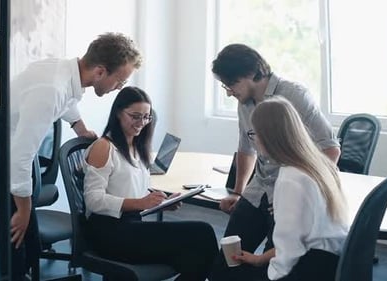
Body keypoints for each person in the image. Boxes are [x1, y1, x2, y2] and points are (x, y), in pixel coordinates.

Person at [0, 32, 142, 280]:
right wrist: (25, 210)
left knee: (28, 252)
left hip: (4, 161)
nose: (119, 87)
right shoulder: (52, 89)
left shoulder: (64, 72)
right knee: (10, 262)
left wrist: (79, 126)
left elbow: (67, 100)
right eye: (120, 80)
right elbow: (20, 157)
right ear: (100, 72)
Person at [209, 44, 341, 280]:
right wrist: (238, 193)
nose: (228, 92)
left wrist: (311, 193)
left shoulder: (294, 96)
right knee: (227, 262)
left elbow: (330, 148)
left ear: (250, 74)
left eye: (231, 84)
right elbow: (245, 149)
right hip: (260, 189)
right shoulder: (244, 103)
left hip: (289, 194)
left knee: (276, 265)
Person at [83, 86, 219, 281]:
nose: (141, 123)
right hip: (109, 232)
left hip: (131, 225)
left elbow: (133, 188)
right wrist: (140, 203)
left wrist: (161, 202)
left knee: (195, 253)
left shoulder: (136, 147)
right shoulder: (104, 147)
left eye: (146, 117)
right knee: (201, 233)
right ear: (118, 113)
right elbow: (93, 200)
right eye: (135, 116)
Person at [232, 96, 349, 280]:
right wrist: (260, 259)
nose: (254, 140)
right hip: (330, 262)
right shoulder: (316, 164)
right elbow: (299, 238)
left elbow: (290, 249)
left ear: (267, 136)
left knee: (232, 275)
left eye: (254, 134)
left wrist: (270, 273)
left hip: (309, 269)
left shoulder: (290, 178)